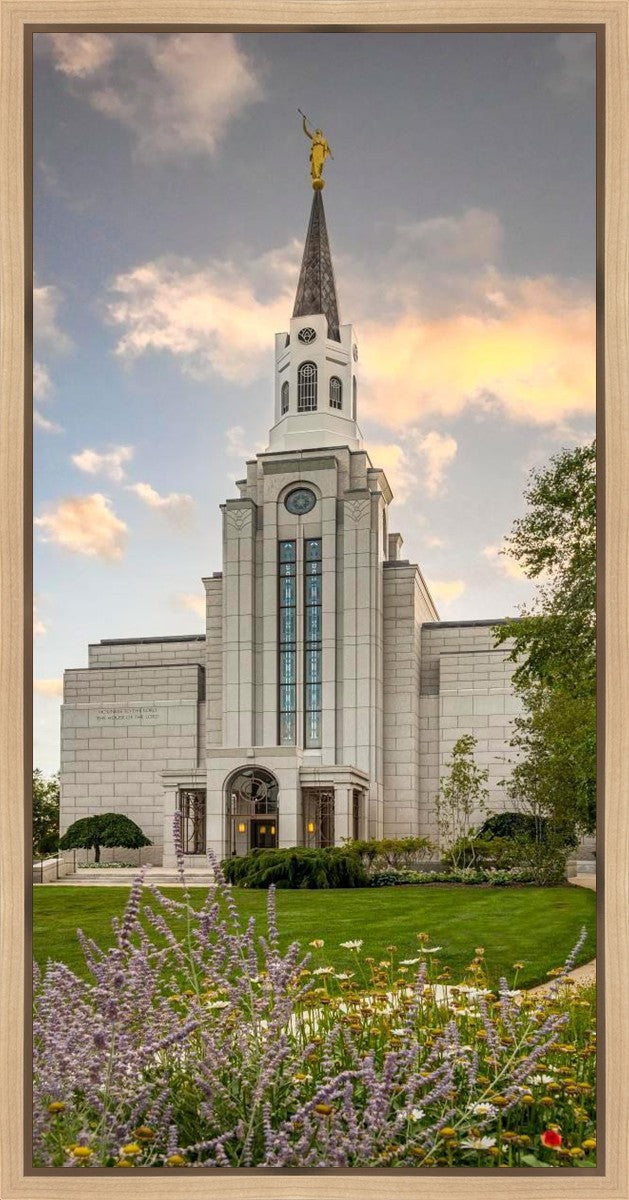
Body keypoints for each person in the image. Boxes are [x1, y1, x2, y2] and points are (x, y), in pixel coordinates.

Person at [301, 114, 333, 185]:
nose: (317, 131)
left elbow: (328, 148)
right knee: (315, 164)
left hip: (321, 153)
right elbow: (306, 131)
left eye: (318, 131)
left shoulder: (324, 140)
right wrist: (304, 121)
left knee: (321, 164)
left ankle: (318, 175)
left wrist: (331, 155)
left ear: (321, 133)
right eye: (316, 131)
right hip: (315, 152)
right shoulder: (314, 137)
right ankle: (317, 176)